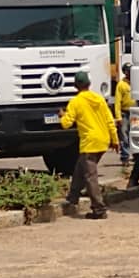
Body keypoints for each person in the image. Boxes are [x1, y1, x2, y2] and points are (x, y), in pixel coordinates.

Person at [59, 71, 118, 219]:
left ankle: (99, 209)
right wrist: (115, 140)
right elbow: (110, 121)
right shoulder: (99, 99)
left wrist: (62, 116)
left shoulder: (76, 102)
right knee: (80, 168)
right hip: (103, 140)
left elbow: (66, 124)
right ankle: (72, 198)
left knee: (90, 177)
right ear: (89, 84)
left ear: (75, 86)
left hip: (89, 142)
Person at [114, 62, 134, 167]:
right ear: (125, 72)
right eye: (128, 71)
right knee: (124, 136)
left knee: (136, 135)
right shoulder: (121, 85)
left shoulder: (137, 83)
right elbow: (117, 102)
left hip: (136, 113)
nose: (130, 73)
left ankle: (138, 157)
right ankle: (125, 157)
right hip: (125, 113)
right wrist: (118, 117)